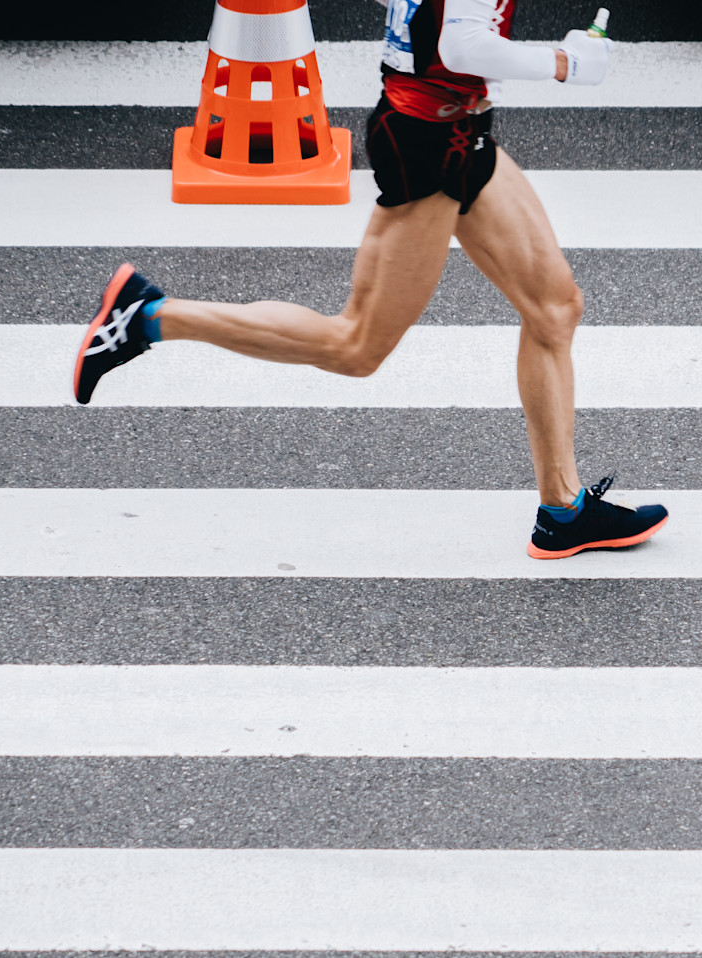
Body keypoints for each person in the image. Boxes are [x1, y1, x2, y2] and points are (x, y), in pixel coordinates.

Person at [73, 0, 667, 560]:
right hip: (431, 143)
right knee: (355, 346)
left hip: (459, 132)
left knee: (555, 309)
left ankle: (564, 513)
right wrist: (563, 63)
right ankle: (147, 317)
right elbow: (460, 46)